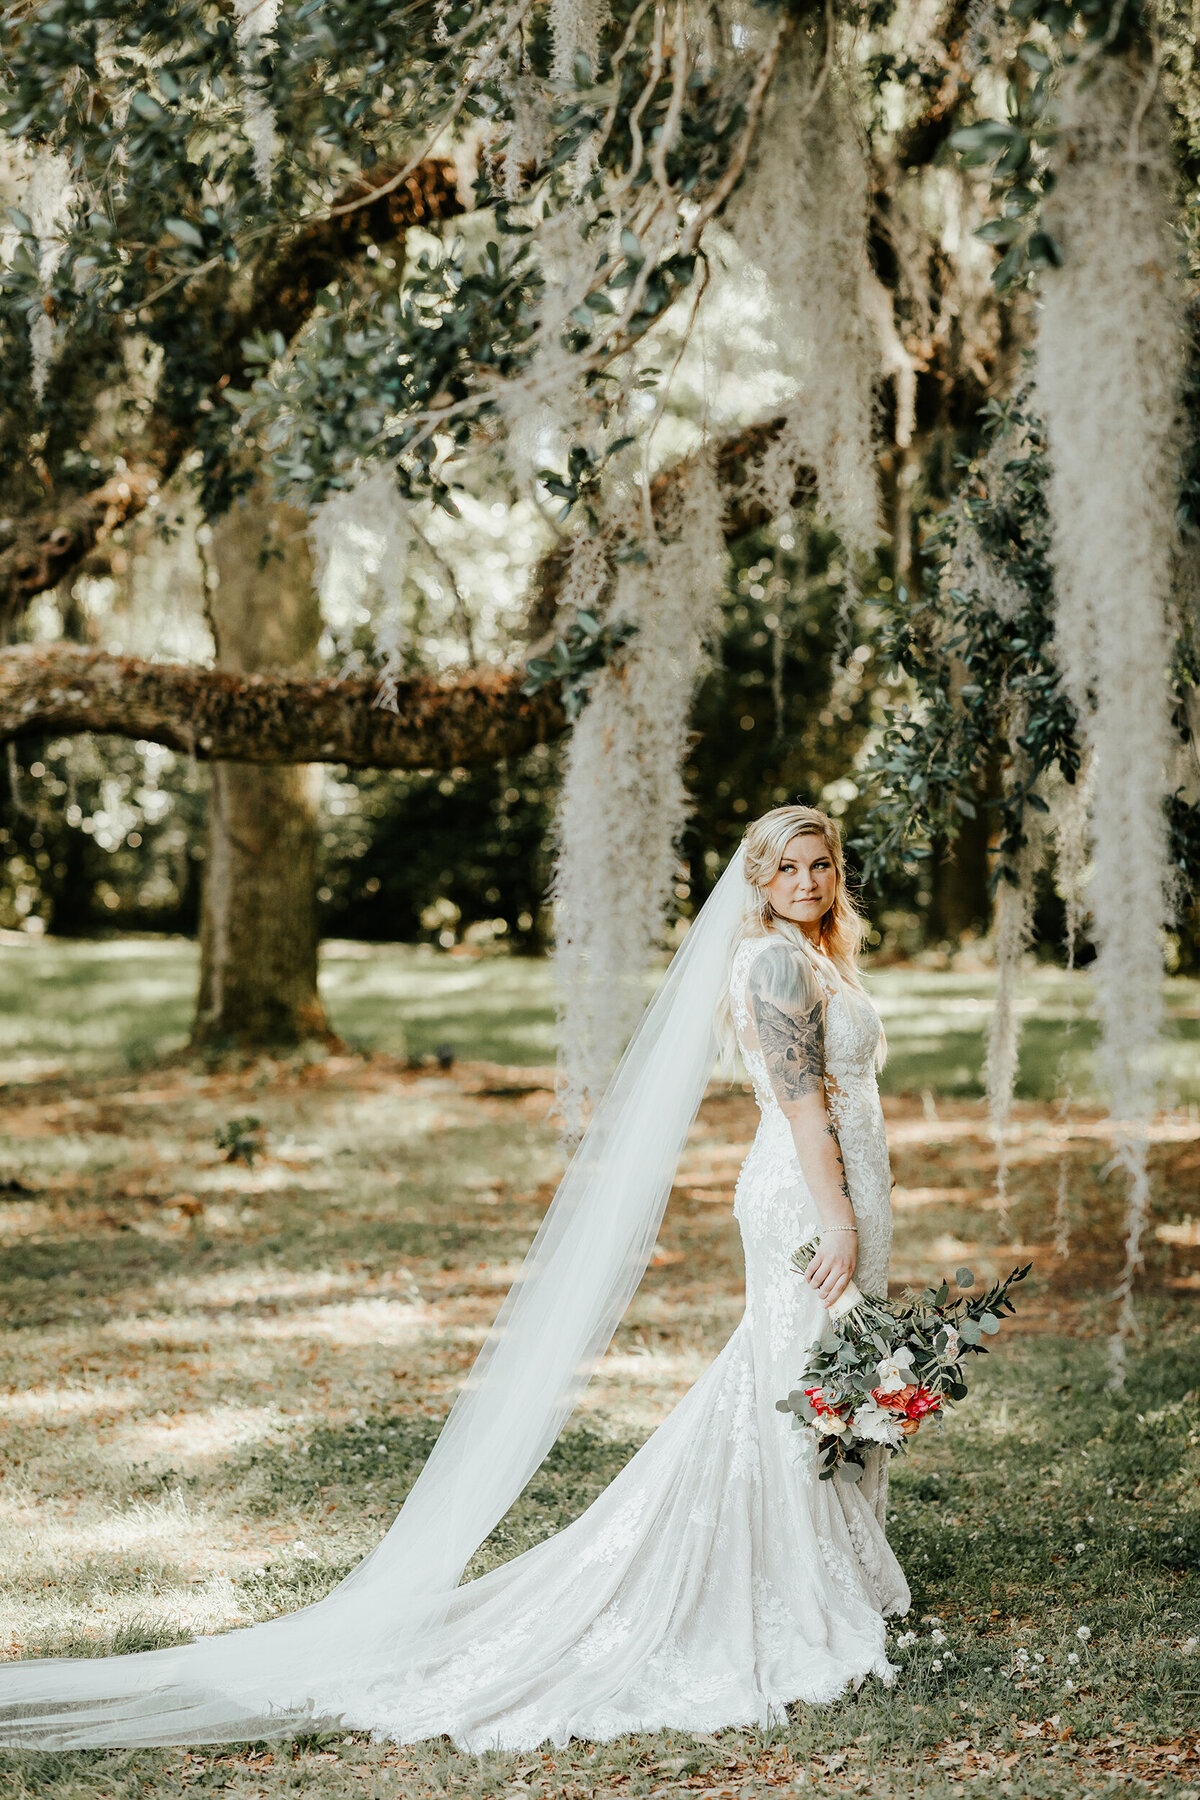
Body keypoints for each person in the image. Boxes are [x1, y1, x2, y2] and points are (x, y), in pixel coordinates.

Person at [0, 804, 908, 1752]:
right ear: (758, 878)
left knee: (818, 1376)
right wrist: (839, 1219)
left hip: (845, 1192)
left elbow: (847, 1097)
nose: (807, 882)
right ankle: (791, 1576)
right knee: (798, 1378)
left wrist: (867, 1196)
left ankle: (830, 1561)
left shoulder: (810, 956)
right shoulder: (774, 965)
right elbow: (801, 1107)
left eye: (820, 866)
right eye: (788, 868)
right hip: (812, 1202)